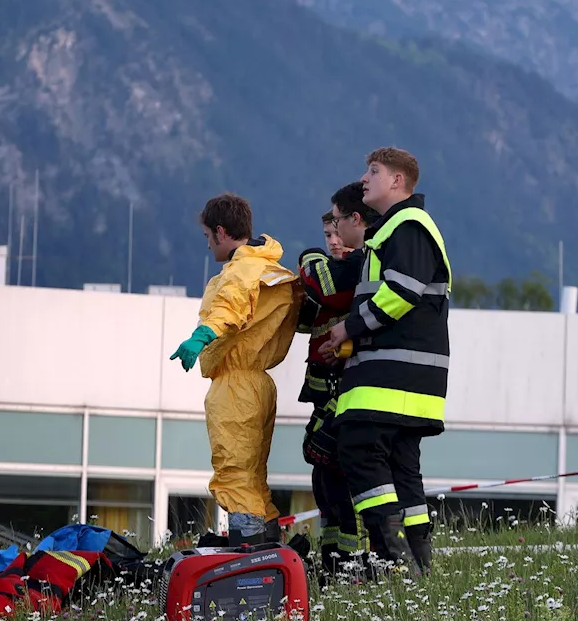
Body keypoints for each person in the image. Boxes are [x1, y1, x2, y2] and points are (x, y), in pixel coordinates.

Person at [321, 148, 451, 577]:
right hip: (407, 384)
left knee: (359, 448)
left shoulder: (408, 225)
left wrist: (348, 329)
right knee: (401, 470)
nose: (364, 178)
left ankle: (392, 560)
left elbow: (403, 290)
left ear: (397, 181)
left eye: (373, 171)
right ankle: (418, 569)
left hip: (390, 379)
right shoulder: (390, 232)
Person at [169, 192, 302, 546]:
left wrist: (200, 337)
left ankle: (247, 555)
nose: (208, 245)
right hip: (259, 382)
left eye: (208, 237)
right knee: (254, 476)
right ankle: (268, 548)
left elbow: (230, 307)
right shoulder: (270, 268)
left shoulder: (241, 271)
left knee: (234, 473)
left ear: (221, 232)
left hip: (236, 383)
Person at [295, 183, 378, 584]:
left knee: (343, 479)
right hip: (322, 393)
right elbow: (301, 315)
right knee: (323, 480)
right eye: (326, 236)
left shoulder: (353, 269)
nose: (334, 242)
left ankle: (351, 564)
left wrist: (308, 260)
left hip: (346, 394)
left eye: (337, 232)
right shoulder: (328, 272)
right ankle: (330, 560)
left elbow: (322, 283)